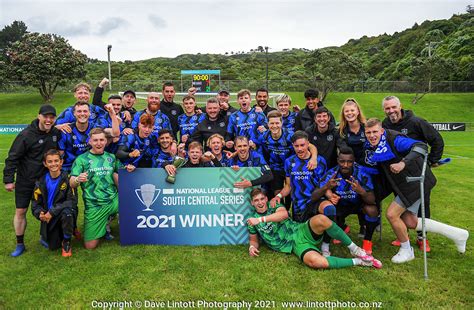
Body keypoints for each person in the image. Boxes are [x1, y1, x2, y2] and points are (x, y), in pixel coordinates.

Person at [364, 118, 468, 263]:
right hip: (404, 184)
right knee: (410, 222)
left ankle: (407, 250)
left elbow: (420, 146)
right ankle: (458, 234)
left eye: (375, 131)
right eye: (368, 132)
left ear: (382, 131)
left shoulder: (395, 139)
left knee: (392, 214)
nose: (372, 135)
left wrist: (403, 163)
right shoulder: (373, 145)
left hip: (415, 181)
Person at [247, 188, 382, 270]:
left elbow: (284, 214)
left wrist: (260, 219)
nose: (260, 202)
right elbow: (254, 240)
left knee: (322, 219)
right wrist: (252, 247)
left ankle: (356, 249)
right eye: (256, 200)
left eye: (262, 199)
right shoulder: (251, 220)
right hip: (295, 245)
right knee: (316, 262)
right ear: (252, 203)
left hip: (299, 230)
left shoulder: (274, 205)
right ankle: (360, 261)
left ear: (266, 198)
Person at [382, 95, 445, 252]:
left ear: (400, 106)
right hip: (400, 174)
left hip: (418, 172)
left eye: (393, 107)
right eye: (387, 108)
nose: (391, 111)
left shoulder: (416, 122)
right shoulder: (385, 124)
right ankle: (403, 236)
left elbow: (437, 140)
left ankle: (422, 238)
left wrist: (430, 161)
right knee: (403, 205)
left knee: (423, 205)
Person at [3, 104, 61, 257]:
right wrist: (8, 179)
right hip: (25, 181)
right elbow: (12, 158)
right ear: (39, 116)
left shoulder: (55, 133)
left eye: (52, 117)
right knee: (21, 211)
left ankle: (45, 237)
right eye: (45, 117)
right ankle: (20, 244)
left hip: (45, 181)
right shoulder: (26, 135)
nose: (48, 120)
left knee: (47, 210)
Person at [312, 148, 379, 256]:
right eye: (342, 161)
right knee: (329, 209)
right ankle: (341, 228)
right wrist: (326, 187)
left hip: (358, 205)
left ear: (354, 161)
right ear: (338, 160)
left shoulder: (362, 173)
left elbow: (372, 200)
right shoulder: (332, 173)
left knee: (372, 210)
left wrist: (362, 191)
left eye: (349, 162)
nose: (346, 165)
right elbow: (314, 196)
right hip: (340, 206)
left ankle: (367, 241)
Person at [70, 128, 121, 249]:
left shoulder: (112, 157)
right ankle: (104, 223)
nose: (99, 143)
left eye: (102, 140)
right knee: (90, 246)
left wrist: (129, 168)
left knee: (131, 207)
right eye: (95, 140)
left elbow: (122, 174)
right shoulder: (81, 159)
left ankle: (117, 219)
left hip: (114, 200)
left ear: (106, 141)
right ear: (90, 142)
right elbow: (72, 183)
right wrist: (78, 180)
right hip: (95, 205)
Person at [257, 111, 318, 201]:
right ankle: (281, 211)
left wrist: (314, 158)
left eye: (277, 123)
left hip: (291, 167)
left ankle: (289, 209)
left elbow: (310, 145)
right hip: (275, 168)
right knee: (277, 193)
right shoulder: (264, 137)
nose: (274, 126)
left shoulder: (290, 135)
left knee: (290, 192)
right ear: (268, 124)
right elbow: (258, 149)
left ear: (281, 123)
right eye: (272, 123)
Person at [270, 131, 327, 223]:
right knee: (302, 234)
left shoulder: (319, 161)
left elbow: (324, 184)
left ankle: (332, 236)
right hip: (298, 206)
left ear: (308, 144)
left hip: (315, 202)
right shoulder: (289, 162)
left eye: (302, 145)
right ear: (293, 145)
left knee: (326, 214)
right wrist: (278, 196)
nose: (300, 149)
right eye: (296, 146)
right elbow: (288, 185)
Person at [31, 150, 78, 257]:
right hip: (49, 217)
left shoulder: (68, 179)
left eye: (56, 161)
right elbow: (35, 202)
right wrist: (40, 213)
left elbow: (72, 202)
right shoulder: (41, 181)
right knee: (52, 246)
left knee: (68, 213)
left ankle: (67, 242)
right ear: (45, 164)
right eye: (50, 161)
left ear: (61, 162)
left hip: (62, 213)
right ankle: (58, 233)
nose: (53, 164)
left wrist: (52, 211)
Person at [58, 102, 111, 172]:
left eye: (85, 111)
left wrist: (112, 113)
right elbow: (60, 154)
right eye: (79, 111)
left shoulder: (94, 127)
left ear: (90, 113)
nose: (82, 114)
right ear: (74, 113)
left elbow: (115, 133)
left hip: (91, 167)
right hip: (69, 168)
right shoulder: (66, 130)